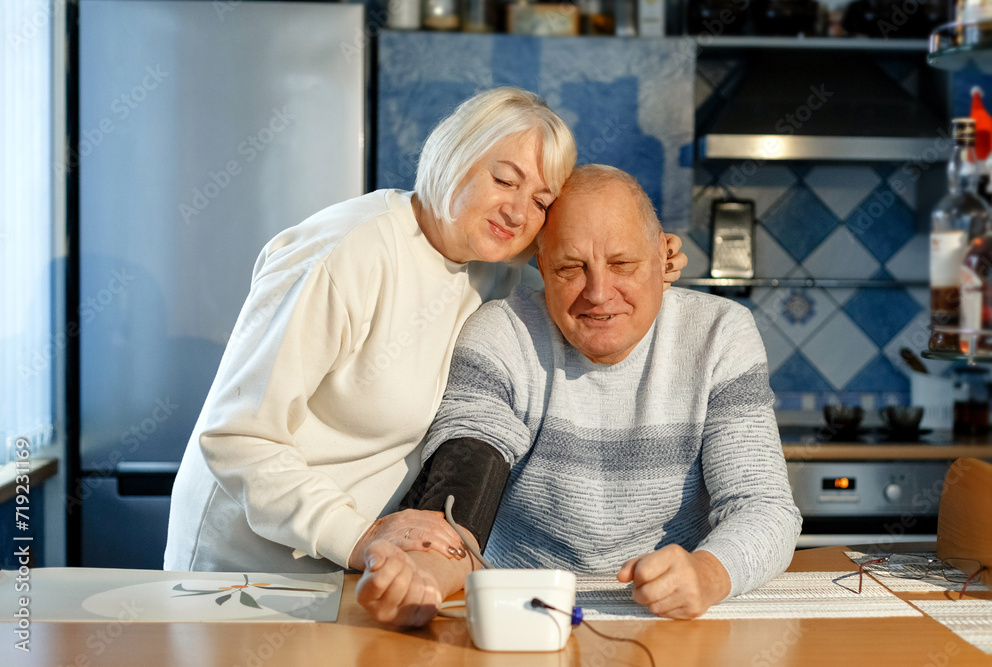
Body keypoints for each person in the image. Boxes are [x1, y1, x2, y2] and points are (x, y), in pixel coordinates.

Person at [163, 88, 690, 577]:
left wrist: (641, 254)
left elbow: (576, 264)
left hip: (354, 565)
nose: (516, 210)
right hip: (247, 570)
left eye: (541, 201)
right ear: (453, 156)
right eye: (504, 180)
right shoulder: (349, 254)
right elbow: (238, 437)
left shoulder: (489, 260)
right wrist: (358, 536)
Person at [357, 164, 801, 626]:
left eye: (623, 264)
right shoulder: (501, 333)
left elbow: (763, 506)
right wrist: (427, 569)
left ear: (663, 259)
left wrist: (707, 574)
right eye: (570, 268)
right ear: (541, 268)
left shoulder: (719, 334)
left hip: (670, 622)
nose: (599, 292)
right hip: (525, 616)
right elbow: (468, 468)